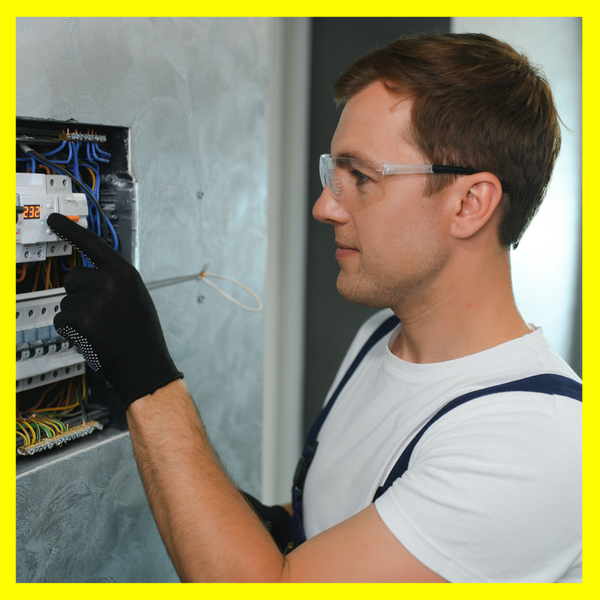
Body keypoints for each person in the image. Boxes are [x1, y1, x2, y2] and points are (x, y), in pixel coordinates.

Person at [47, 32, 581, 582]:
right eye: (334, 173)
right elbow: (327, 534)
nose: (325, 206)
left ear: (469, 204)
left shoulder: (529, 443)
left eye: (362, 178)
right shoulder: (382, 338)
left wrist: (145, 375)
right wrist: (245, 520)